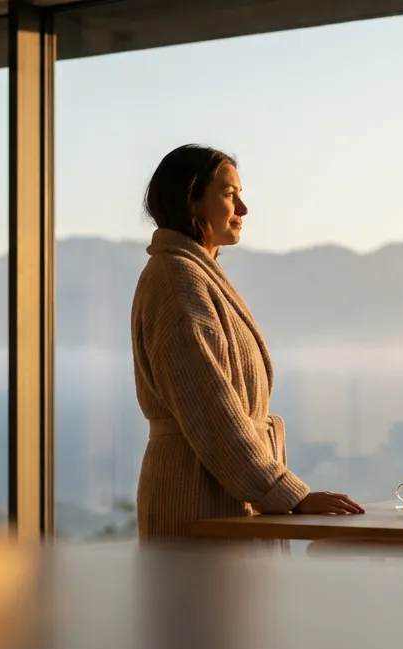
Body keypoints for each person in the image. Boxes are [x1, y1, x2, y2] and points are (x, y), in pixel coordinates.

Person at [131, 144, 364, 540]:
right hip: (195, 497)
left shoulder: (196, 275)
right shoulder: (177, 280)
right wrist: (287, 493)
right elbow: (211, 408)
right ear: (191, 198)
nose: (243, 209)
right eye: (228, 194)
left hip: (222, 491)